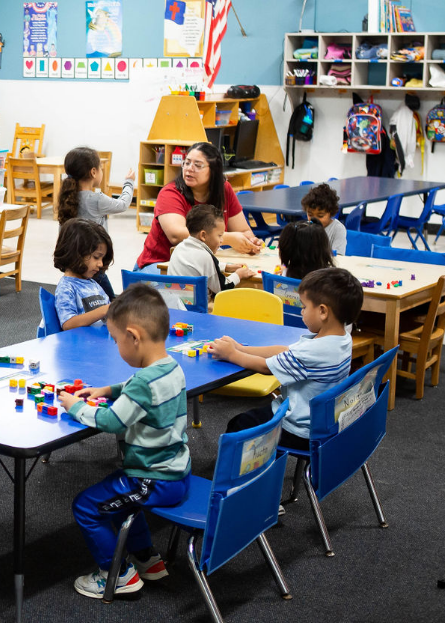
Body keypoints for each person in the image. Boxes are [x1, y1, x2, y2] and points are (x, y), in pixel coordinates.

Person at [58, 284, 190, 599]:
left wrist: (76, 406)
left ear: (133, 336)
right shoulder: (170, 367)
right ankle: (148, 560)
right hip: (175, 472)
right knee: (116, 493)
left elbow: (110, 421)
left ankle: (115, 575)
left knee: (87, 506)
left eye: (116, 340)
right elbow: (136, 387)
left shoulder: (144, 382)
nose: (116, 346)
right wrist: (107, 391)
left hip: (153, 479)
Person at [210, 267, 363, 449]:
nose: (301, 312)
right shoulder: (341, 339)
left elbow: (266, 367)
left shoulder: (314, 351)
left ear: (323, 311)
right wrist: (243, 348)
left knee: (239, 425)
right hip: (323, 422)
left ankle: (235, 474)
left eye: (305, 307)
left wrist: (232, 354)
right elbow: (285, 351)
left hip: (300, 429)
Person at [136, 142, 263, 270]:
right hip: (160, 264)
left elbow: (242, 231)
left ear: (214, 170)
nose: (189, 168)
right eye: (186, 163)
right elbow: (176, 235)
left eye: (197, 165)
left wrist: (251, 242)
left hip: (199, 265)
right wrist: (227, 238)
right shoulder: (170, 193)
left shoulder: (224, 190)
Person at [57, 146, 135, 300]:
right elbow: (123, 204)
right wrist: (129, 183)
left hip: (72, 263)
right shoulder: (96, 199)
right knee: (111, 303)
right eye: (100, 167)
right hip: (93, 267)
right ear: (93, 172)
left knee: (82, 298)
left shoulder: (66, 198)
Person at [168, 204, 255, 302]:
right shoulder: (205, 256)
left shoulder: (180, 248)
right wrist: (239, 275)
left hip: (175, 306)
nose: (222, 241)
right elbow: (222, 288)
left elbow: (198, 265)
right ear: (203, 235)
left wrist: (226, 267)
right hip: (197, 310)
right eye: (219, 235)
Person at [53, 219, 113, 330]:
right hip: (81, 345)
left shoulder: (93, 284)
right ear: (76, 254)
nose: (100, 264)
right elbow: (68, 324)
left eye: (102, 258)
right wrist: (103, 310)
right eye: (96, 257)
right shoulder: (66, 287)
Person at [302, 183, 348, 255]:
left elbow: (338, 257)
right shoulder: (305, 227)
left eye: (320, 216)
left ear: (331, 212)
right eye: (310, 215)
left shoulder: (338, 229)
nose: (314, 219)